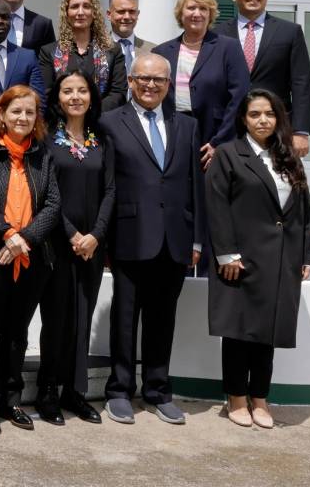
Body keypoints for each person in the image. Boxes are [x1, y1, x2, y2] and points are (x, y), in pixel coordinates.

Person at [99, 53, 203, 425]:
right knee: (125, 319)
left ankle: (158, 389)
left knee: (163, 319)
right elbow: (105, 184)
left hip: (175, 238)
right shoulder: (110, 123)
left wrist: (197, 241)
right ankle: (120, 390)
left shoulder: (187, 125)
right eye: (143, 78)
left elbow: (195, 185)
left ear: (168, 84)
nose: (150, 85)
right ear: (130, 80)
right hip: (129, 235)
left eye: (158, 80)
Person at [206, 90, 310, 429]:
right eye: (255, 114)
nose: (263, 120)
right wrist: (226, 252)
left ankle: (260, 398)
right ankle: (236, 398)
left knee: (267, 333)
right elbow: (216, 205)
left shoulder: (289, 158)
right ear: (243, 119)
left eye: (269, 113)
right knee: (238, 332)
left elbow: (304, 211)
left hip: (281, 261)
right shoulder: (228, 155)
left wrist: (305, 254)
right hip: (240, 258)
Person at [0, 86, 60, 433]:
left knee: (18, 332)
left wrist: (25, 239)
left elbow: (53, 203)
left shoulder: (43, 154)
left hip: (32, 256)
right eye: (16, 112)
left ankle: (12, 399)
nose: (23, 118)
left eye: (30, 112)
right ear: (2, 115)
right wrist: (7, 233)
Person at [34, 70, 114, 425]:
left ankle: (75, 392)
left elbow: (111, 190)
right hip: (57, 243)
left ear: (92, 97)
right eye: (68, 91)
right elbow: (46, 194)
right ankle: (48, 391)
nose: (76, 97)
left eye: (82, 90)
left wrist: (95, 234)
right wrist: (72, 235)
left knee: (83, 318)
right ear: (58, 98)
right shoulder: (47, 139)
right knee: (58, 319)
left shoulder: (102, 139)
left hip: (93, 247)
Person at [215, 0, 310, 157]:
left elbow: (301, 82)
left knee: (277, 184)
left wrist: (300, 131)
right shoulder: (217, 34)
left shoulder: (290, 32)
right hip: (228, 129)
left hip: (275, 128)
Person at [153, 0, 249, 171]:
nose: (197, 13)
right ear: (181, 13)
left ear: (211, 13)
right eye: (191, 8)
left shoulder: (229, 48)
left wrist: (219, 142)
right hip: (172, 137)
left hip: (213, 137)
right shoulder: (162, 52)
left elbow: (239, 98)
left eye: (203, 8)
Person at [38, 0, 127, 111]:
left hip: (102, 122)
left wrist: (90, 112)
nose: (80, 12)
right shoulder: (49, 52)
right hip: (63, 123)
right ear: (66, 13)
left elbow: (118, 93)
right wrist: (72, 113)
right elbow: (46, 93)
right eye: (74, 7)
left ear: (94, 12)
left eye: (86, 6)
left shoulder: (112, 50)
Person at [106, 0, 155, 75]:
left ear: (137, 14)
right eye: (121, 11)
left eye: (132, 11)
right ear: (109, 15)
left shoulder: (153, 51)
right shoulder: (97, 48)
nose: (127, 17)